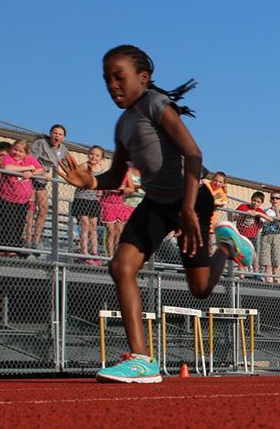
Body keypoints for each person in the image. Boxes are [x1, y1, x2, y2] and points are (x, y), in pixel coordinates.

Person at [57, 44, 254, 383]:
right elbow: (116, 176)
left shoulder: (155, 105)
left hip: (191, 198)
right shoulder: (122, 125)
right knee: (120, 266)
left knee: (201, 289)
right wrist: (88, 180)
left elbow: (194, 155)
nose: (113, 86)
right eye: (107, 80)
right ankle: (142, 359)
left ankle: (226, 246)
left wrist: (189, 209)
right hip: (157, 203)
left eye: (119, 77)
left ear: (143, 77)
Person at [0, 140, 42, 256]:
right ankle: (3, 248)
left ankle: (14, 249)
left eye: (20, 151)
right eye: (15, 149)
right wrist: (26, 168)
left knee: (18, 224)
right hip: (8, 197)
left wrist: (31, 173)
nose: (17, 153)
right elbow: (7, 168)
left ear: (25, 153)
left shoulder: (28, 159)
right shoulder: (8, 157)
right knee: (7, 223)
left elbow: (40, 169)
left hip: (23, 200)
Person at [29, 124, 69, 250]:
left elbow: (67, 166)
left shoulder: (63, 150)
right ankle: (28, 239)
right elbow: (30, 161)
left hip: (43, 184)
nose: (57, 136)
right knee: (30, 211)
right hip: (31, 180)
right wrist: (42, 171)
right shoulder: (40, 144)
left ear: (64, 138)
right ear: (51, 134)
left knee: (43, 210)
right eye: (55, 133)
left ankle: (36, 239)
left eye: (60, 134)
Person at [70, 146, 104, 265]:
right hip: (82, 198)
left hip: (93, 200)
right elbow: (74, 175)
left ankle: (94, 252)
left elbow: (101, 184)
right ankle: (84, 252)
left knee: (93, 226)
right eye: (92, 154)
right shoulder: (84, 166)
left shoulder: (101, 169)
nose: (94, 157)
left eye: (97, 155)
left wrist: (100, 191)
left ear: (101, 158)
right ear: (88, 154)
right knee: (85, 225)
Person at [235, 191, 272, 279]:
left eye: (258, 202)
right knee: (241, 254)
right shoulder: (243, 206)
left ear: (261, 203)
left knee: (254, 255)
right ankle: (241, 275)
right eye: (254, 200)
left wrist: (259, 214)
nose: (255, 203)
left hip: (252, 236)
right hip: (242, 235)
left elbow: (270, 219)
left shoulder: (259, 211)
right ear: (251, 200)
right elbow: (234, 216)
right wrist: (245, 213)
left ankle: (256, 274)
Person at [100, 169, 136, 257]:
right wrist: (114, 188)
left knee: (119, 232)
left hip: (119, 205)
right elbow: (103, 186)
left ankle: (117, 255)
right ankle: (109, 256)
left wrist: (121, 189)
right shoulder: (109, 172)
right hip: (108, 205)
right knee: (111, 231)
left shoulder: (126, 173)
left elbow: (131, 189)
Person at [260, 192, 280, 283]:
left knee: (276, 259)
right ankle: (267, 280)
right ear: (270, 199)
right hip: (266, 235)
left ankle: (276, 280)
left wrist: (277, 210)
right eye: (273, 198)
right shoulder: (265, 211)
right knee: (266, 260)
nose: (275, 200)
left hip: (276, 235)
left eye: (277, 198)